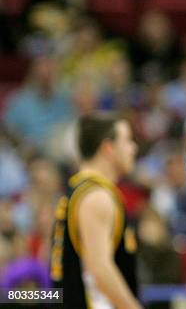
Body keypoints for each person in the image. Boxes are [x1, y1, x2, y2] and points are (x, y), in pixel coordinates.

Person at [50, 112, 141, 309]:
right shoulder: (97, 197)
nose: (134, 148)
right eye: (127, 141)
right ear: (108, 148)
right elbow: (100, 269)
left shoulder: (76, 190)